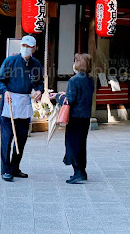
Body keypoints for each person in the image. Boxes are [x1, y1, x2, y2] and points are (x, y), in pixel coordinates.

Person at [0, 35, 43, 182]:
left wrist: (39, 91)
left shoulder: (36, 64)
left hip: (24, 102)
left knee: (21, 138)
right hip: (9, 102)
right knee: (7, 137)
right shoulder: (10, 61)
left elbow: (39, 82)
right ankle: (5, 170)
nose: (26, 49)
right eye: (24, 46)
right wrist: (5, 91)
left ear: (33, 49)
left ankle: (15, 167)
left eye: (29, 47)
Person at [52, 53, 95, 184]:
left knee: (72, 144)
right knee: (81, 144)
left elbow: (70, 100)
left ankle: (77, 172)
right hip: (85, 116)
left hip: (75, 116)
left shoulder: (74, 80)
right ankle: (82, 171)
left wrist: (57, 97)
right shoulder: (90, 79)